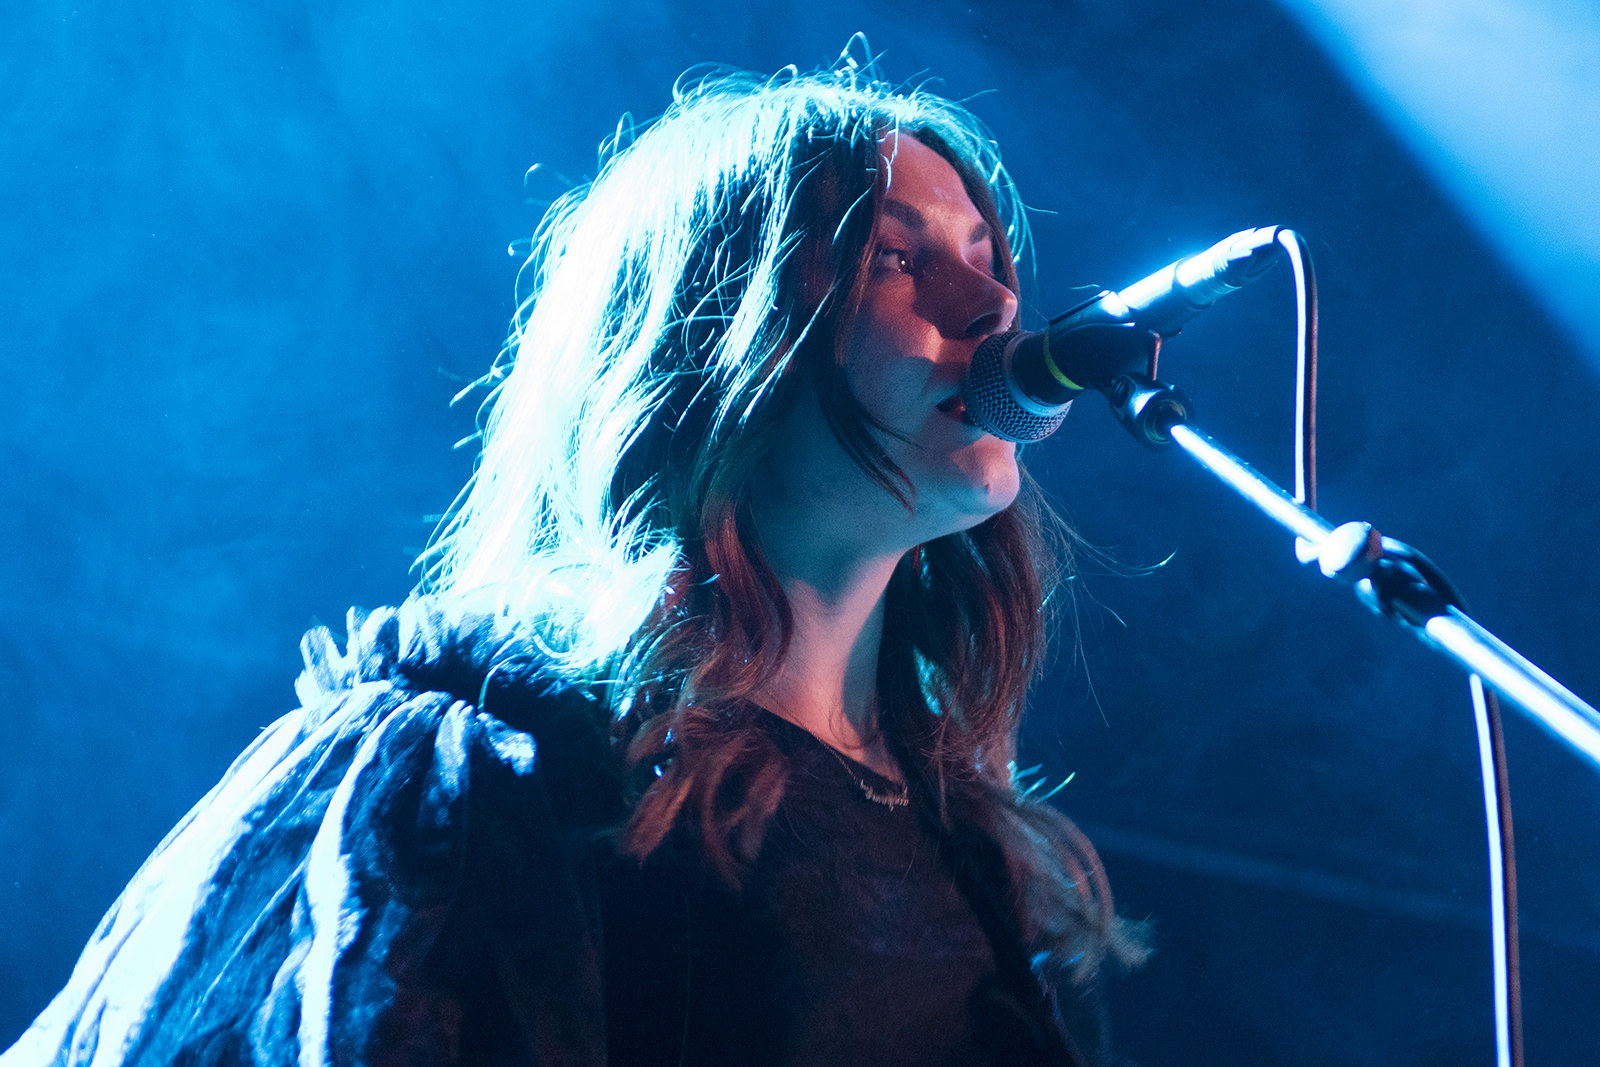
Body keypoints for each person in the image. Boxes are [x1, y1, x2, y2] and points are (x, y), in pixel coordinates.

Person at [4, 56, 1144, 1067]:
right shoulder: (477, 761)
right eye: (898, 259)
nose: (994, 305)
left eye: (987, 257)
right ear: (717, 346)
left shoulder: (975, 850)